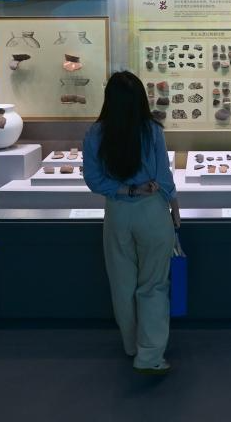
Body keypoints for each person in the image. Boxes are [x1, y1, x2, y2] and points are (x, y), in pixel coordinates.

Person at [83, 71, 181, 375]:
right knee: (153, 284)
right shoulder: (151, 131)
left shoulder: (95, 134)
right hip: (152, 213)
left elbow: (93, 180)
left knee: (122, 284)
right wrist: (175, 208)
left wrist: (125, 190)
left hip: (117, 214)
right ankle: (150, 355)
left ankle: (131, 345)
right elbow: (163, 176)